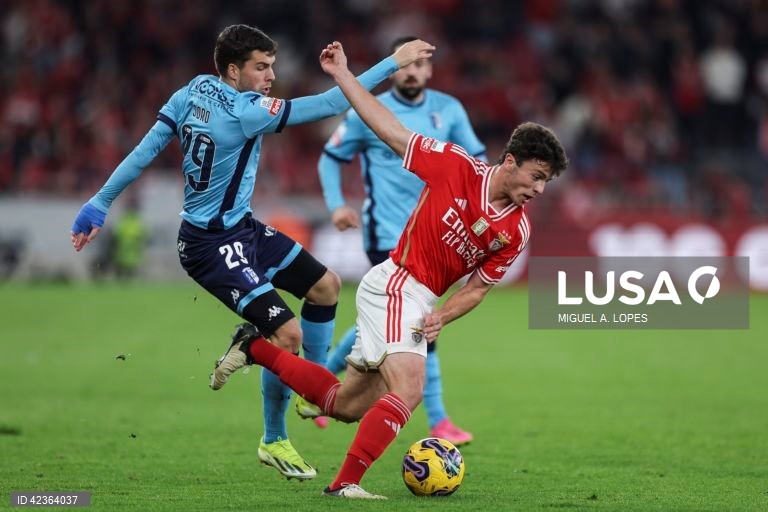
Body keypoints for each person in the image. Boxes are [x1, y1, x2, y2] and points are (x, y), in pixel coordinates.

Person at [69, 25, 434, 482]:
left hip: (243, 230)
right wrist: (393, 63)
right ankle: (274, 437)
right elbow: (334, 104)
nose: (271, 75)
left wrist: (99, 202)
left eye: (272, 65)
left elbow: (144, 151)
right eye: (261, 67)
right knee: (287, 334)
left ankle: (310, 384)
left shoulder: (192, 90)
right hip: (209, 245)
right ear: (233, 70)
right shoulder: (249, 111)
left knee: (326, 286)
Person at [211, 40, 568, 499]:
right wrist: (343, 74)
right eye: (536, 177)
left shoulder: (515, 232)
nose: (539, 190)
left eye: (547, 182)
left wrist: (445, 314)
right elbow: (391, 130)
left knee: (343, 405)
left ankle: (254, 348)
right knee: (410, 389)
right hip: (397, 281)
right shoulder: (457, 167)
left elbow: (478, 288)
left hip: (420, 301)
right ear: (511, 162)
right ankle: (345, 485)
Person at [311, 36, 486, 444]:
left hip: (434, 236)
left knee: (376, 325)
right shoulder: (371, 111)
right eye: (407, 63)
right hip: (387, 234)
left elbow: (478, 168)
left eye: (421, 64)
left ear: (430, 70)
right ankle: (439, 420)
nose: (413, 71)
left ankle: (321, 384)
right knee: (417, 325)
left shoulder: (450, 110)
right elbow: (330, 157)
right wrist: (336, 205)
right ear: (395, 67)